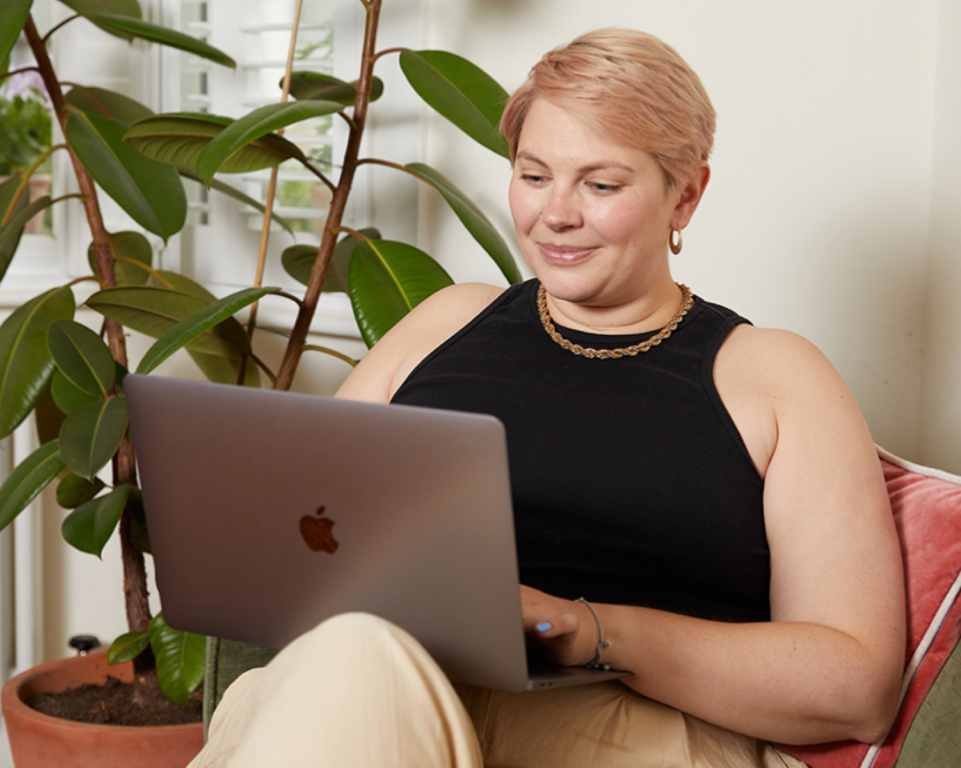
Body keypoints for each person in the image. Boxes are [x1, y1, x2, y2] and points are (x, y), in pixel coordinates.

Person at [190, 28, 906, 768]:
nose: (555, 215)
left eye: (600, 185)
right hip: (378, 687)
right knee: (352, 656)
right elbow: (299, 524)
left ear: (685, 194)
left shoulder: (771, 375)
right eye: (534, 177)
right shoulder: (447, 319)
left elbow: (857, 684)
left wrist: (584, 629)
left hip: (624, 729)